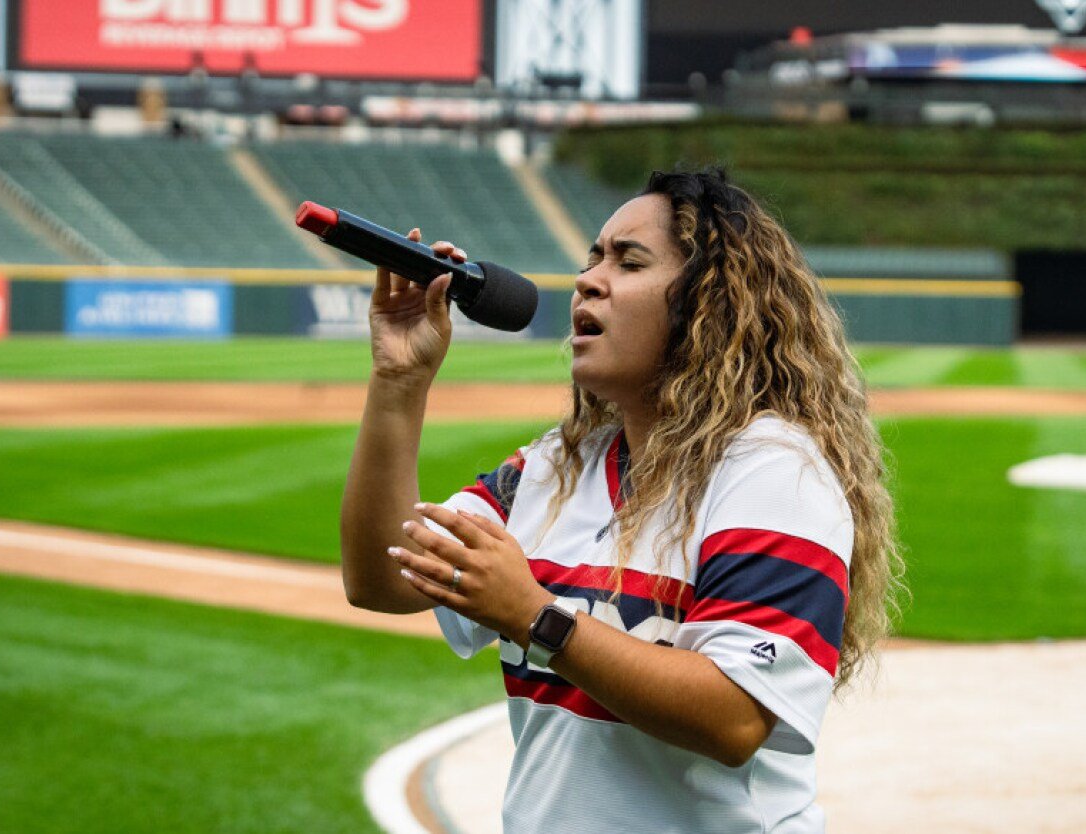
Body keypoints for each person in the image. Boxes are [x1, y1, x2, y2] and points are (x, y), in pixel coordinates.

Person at [340, 168, 904, 833]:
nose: (589, 279)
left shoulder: (772, 471)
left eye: (628, 261)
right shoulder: (555, 465)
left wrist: (535, 616)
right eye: (593, 258)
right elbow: (383, 580)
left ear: (708, 303)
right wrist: (399, 381)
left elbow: (732, 717)